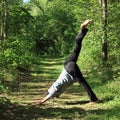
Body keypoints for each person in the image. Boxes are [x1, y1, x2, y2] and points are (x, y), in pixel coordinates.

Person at [33, 20, 99, 105]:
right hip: (67, 65)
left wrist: (42, 101)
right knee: (76, 48)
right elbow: (52, 93)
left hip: (70, 70)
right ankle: (83, 29)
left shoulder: (54, 88)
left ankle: (94, 99)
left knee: (83, 83)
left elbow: (51, 93)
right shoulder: (55, 89)